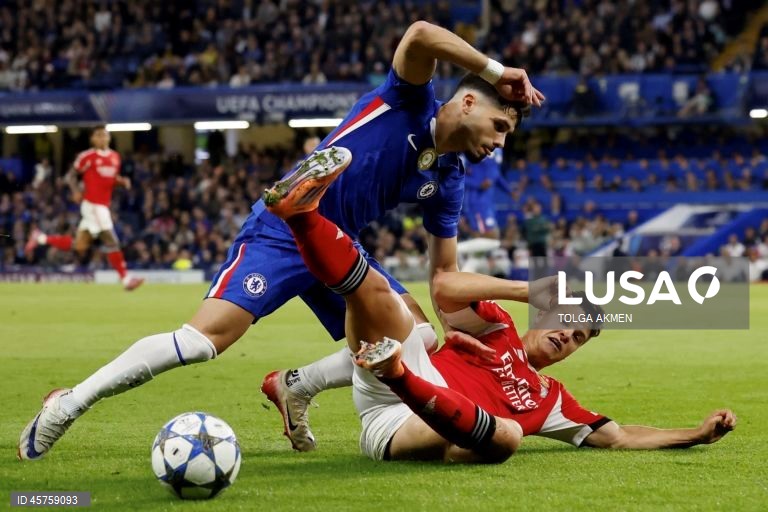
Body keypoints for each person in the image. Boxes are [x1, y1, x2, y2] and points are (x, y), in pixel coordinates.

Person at [18, 20, 543, 460]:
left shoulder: (448, 178)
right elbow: (422, 34)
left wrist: (500, 305)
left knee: (419, 337)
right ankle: (69, 403)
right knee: (203, 342)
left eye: (506, 136)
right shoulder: (408, 99)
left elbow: (445, 278)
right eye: (498, 125)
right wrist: (501, 69)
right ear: (468, 100)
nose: (497, 143)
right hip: (284, 232)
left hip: (341, 248)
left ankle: (295, 385)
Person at [260, 159, 736, 462]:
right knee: (397, 310)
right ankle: (302, 216)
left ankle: (330, 376)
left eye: (579, 338)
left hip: (401, 426)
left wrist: (693, 434)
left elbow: (620, 436)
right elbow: (446, 289)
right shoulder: (496, 327)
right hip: (396, 378)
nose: (567, 335)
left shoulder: (550, 399)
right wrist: (530, 290)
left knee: (507, 435)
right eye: (566, 322)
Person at [24, 126, 144, 291]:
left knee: (79, 245)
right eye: (98, 135)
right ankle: (126, 279)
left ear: (109, 137)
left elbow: (108, 178)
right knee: (111, 240)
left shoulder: (115, 157)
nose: (102, 138)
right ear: (92, 139)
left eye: (104, 135)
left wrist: (121, 182)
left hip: (103, 205)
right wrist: (75, 191)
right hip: (93, 205)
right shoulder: (87, 157)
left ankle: (40, 238)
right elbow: (70, 176)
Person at [460, 147, 512, 239]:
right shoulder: (469, 150)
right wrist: (478, 184)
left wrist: (509, 190)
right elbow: (458, 176)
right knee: (480, 235)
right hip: (474, 201)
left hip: (489, 202)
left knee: (494, 235)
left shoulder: (497, 150)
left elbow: (496, 172)